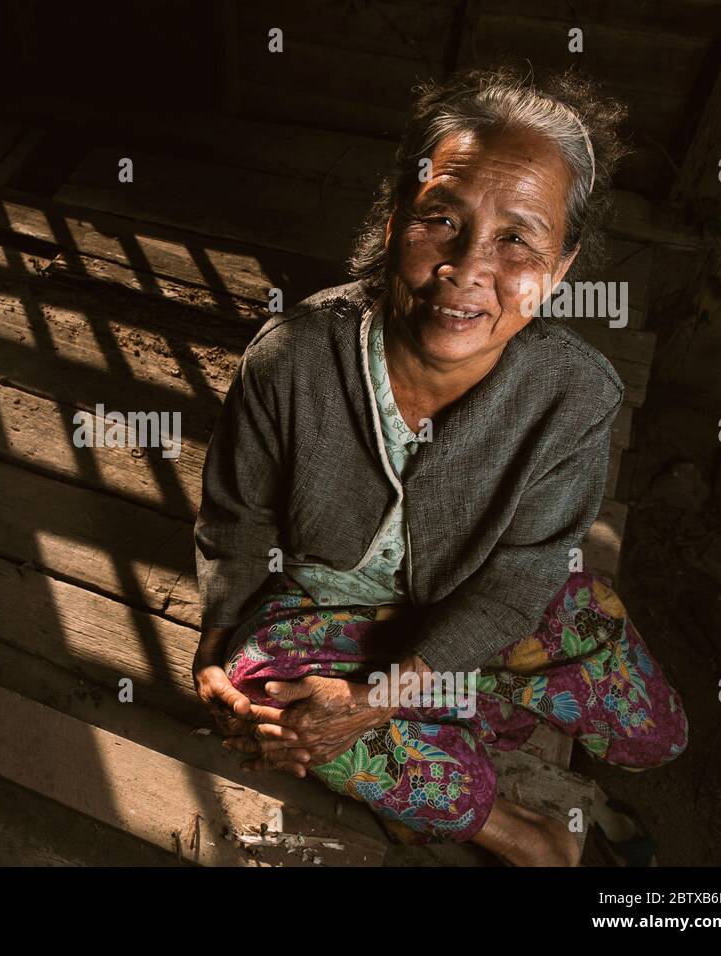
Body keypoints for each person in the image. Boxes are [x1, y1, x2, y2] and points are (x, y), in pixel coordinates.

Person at [192, 68, 688, 865]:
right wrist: (211, 654)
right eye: (441, 220)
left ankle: (458, 708)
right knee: (261, 698)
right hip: (332, 600)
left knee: (656, 736)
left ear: (559, 269)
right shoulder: (292, 358)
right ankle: (529, 836)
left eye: (518, 238)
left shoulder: (577, 396)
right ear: (394, 225)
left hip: (482, 596)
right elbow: (238, 521)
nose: (467, 267)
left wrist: (378, 698)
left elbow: (515, 585)